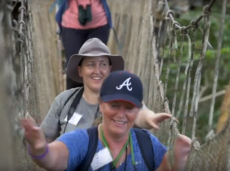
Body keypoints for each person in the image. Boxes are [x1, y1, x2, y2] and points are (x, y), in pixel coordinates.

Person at [21, 70, 191, 171]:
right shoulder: (82, 141)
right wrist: (40, 150)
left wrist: (176, 163)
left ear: (138, 109)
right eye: (114, 106)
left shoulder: (148, 143)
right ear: (101, 104)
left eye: (129, 108)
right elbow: (52, 159)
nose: (121, 114)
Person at [40, 38, 172, 143]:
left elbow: (140, 115)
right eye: (90, 64)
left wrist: (150, 117)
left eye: (103, 64)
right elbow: (46, 138)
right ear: (80, 70)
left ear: (110, 69)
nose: (97, 71)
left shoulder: (123, 97)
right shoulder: (64, 100)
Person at [55, 0, 113, 89]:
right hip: (71, 25)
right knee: (74, 65)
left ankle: (97, 99)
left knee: (97, 65)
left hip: (99, 24)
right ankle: (72, 100)